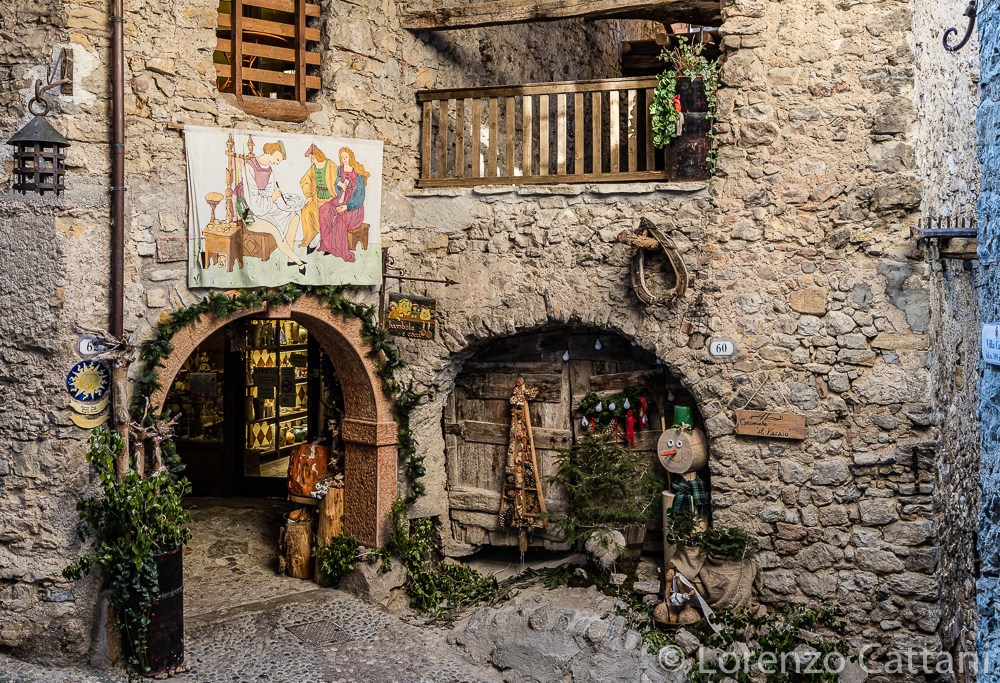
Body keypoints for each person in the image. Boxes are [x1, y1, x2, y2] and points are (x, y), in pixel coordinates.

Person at [235, 140, 307, 275]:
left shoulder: (269, 170)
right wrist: (272, 198)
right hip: (248, 209)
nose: (277, 163)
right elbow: (254, 202)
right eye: (278, 159)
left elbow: (271, 193)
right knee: (276, 229)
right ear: (272, 151)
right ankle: (298, 262)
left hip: (264, 204)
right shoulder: (249, 167)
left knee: (294, 216)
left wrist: (284, 204)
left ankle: (289, 258)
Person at [317, 146, 369, 262]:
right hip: (341, 198)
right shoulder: (340, 169)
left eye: (346, 157)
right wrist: (339, 183)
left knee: (340, 220)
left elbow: (360, 196)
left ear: (350, 157)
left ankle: (338, 249)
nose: (344, 159)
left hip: (353, 206)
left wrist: (347, 206)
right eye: (342, 157)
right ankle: (327, 244)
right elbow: (337, 181)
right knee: (324, 209)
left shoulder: (358, 171)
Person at [299, 144, 336, 253]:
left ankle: (326, 243)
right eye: (311, 159)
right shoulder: (313, 168)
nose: (312, 160)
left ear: (318, 156)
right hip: (316, 198)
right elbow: (305, 181)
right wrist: (309, 196)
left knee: (324, 215)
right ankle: (310, 239)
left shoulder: (330, 164)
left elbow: (338, 180)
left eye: (313, 158)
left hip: (331, 198)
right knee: (306, 211)